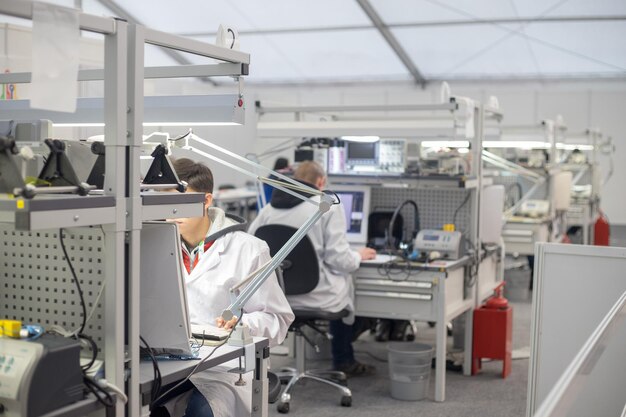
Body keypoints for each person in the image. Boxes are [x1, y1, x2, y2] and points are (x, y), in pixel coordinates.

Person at [163, 157, 294, 417]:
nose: (171, 212)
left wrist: (242, 326)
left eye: (180, 203)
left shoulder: (248, 249)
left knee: (202, 413)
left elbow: (278, 319)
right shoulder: (153, 246)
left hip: (222, 369)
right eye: (164, 203)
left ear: (206, 201)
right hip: (166, 364)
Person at [248, 160, 377, 377]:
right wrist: (358, 255)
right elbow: (339, 260)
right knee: (346, 283)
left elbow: (251, 248)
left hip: (278, 297)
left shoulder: (268, 210)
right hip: (317, 296)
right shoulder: (327, 204)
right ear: (321, 182)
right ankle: (343, 358)